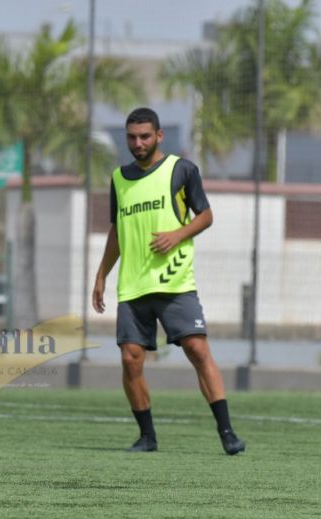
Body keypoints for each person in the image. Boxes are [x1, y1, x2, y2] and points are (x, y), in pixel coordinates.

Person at [92, 107, 245, 455]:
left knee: (197, 349)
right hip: (133, 285)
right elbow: (117, 231)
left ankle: (227, 433)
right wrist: (101, 274)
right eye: (132, 137)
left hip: (175, 282)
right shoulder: (119, 178)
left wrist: (177, 235)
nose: (138, 143)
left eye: (145, 136)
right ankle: (147, 437)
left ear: (159, 136)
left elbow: (205, 215)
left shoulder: (182, 170)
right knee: (130, 359)